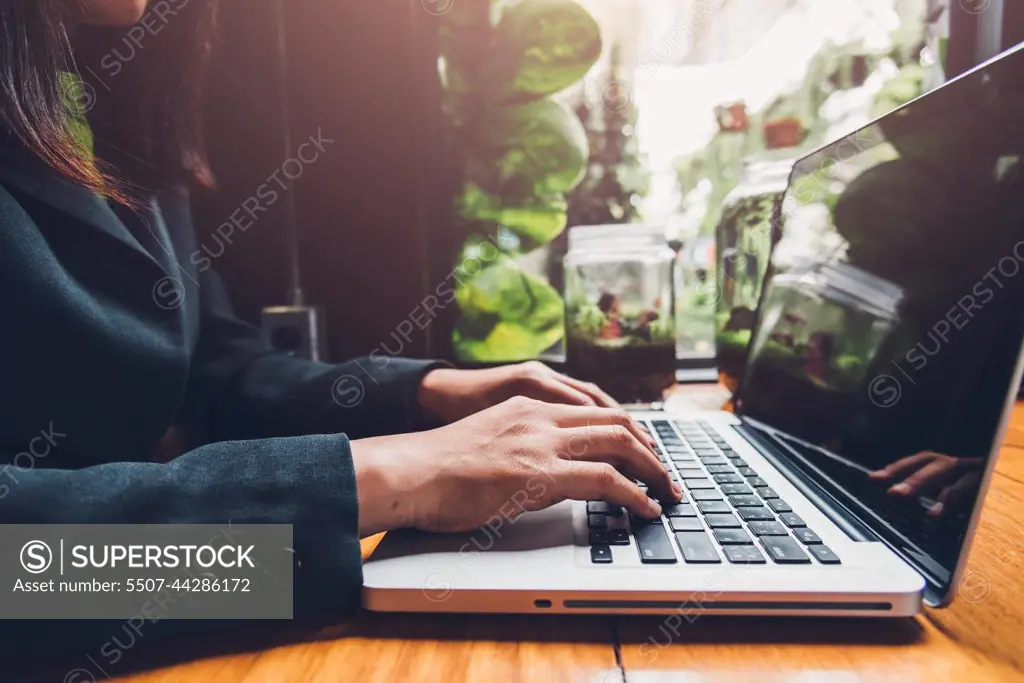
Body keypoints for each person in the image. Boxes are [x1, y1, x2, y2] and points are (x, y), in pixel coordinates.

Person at [0, 0, 681, 644]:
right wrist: (385, 478)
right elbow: (29, 575)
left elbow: (209, 365)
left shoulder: (101, 86)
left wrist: (423, 394)